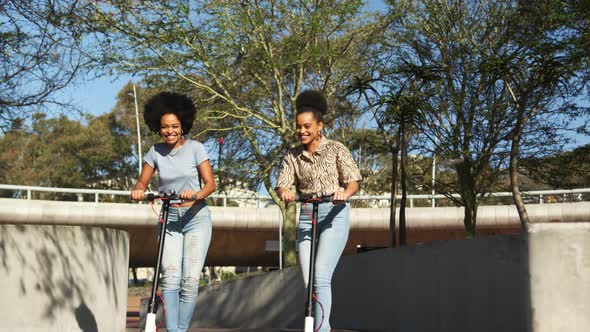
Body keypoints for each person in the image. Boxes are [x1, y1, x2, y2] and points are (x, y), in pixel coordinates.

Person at [276, 89, 362, 332]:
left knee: (321, 276)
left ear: (320, 125)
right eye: (298, 127)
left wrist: (345, 193)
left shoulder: (336, 149)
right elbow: (283, 184)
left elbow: (353, 180)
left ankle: (321, 329)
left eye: (307, 126)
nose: (302, 131)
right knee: (308, 280)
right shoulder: (292, 156)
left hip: (334, 214)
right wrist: (285, 192)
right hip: (306, 216)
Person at [130, 92, 216, 332]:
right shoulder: (155, 152)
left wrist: (196, 194)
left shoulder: (196, 148)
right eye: (165, 127)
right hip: (169, 218)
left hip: (195, 218)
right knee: (169, 277)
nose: (170, 131)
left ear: (183, 126)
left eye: (175, 126)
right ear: (158, 127)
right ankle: (174, 330)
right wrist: (137, 191)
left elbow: (210, 184)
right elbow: (141, 183)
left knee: (189, 281)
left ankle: (179, 330)